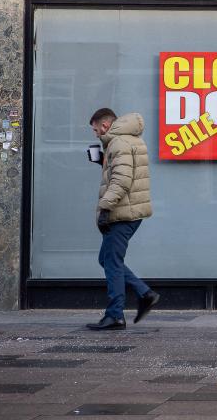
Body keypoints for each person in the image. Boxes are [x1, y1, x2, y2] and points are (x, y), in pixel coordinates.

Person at [87, 108, 160, 330]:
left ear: (106, 125)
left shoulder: (118, 143)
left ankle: (116, 315)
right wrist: (103, 162)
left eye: (95, 129)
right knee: (107, 259)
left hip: (122, 213)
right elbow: (124, 172)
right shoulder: (128, 141)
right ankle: (144, 293)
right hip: (128, 211)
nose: (95, 134)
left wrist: (104, 208)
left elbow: (121, 182)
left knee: (111, 262)